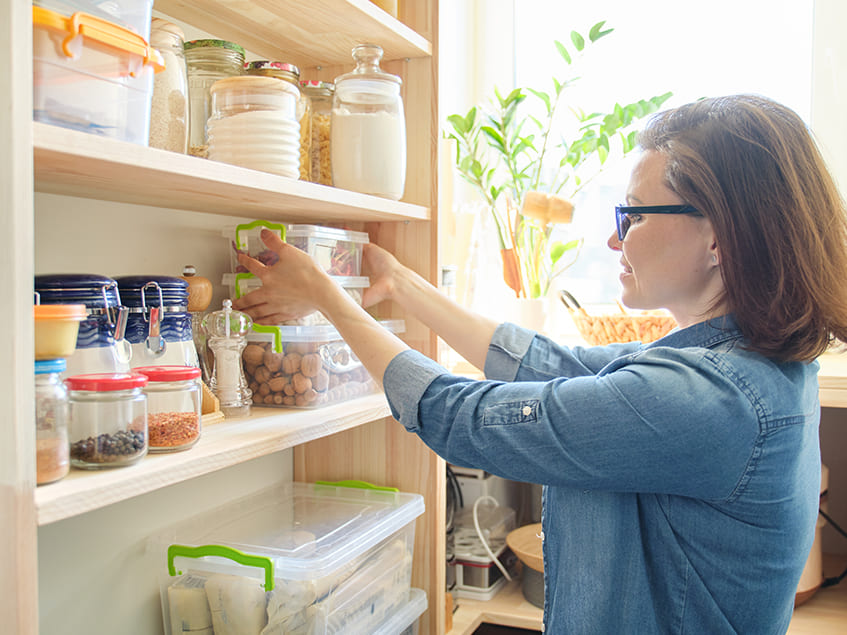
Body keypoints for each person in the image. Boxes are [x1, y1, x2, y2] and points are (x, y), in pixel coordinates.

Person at [233, 94, 847, 634]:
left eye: (633, 215)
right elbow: (556, 366)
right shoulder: (732, 364)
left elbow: (464, 418)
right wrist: (402, 287)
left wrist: (327, 297)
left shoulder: (707, 398)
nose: (615, 239)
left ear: (719, 238)